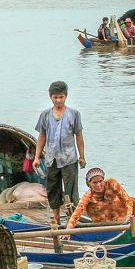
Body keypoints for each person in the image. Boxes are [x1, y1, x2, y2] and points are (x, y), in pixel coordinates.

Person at [33, 81, 85, 226]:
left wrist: (82, 156)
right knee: (53, 189)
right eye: (55, 97)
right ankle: (56, 217)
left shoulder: (74, 114)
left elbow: (79, 136)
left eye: (61, 97)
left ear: (66, 97)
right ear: (51, 97)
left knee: (71, 190)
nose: (58, 100)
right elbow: (42, 136)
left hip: (69, 158)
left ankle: (72, 219)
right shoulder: (45, 115)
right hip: (51, 159)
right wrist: (37, 157)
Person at [65, 167, 135, 231]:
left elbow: (127, 201)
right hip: (103, 222)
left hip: (121, 218)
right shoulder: (88, 196)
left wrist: (129, 217)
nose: (98, 185)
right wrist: (68, 230)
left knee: (133, 201)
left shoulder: (112, 183)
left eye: (100, 181)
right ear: (89, 184)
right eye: (94, 182)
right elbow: (77, 213)